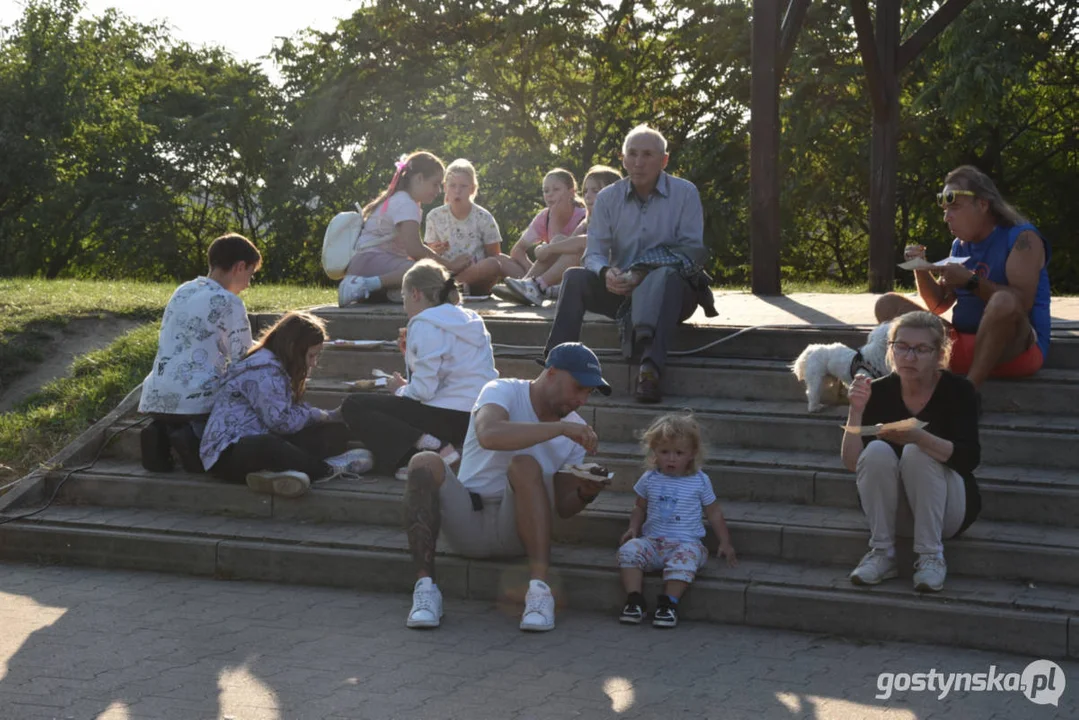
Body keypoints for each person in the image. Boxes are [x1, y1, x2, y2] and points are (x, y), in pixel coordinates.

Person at [403, 342, 611, 632]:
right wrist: (559, 429)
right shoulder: (502, 390)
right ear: (551, 373)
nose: (582, 400)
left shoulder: (574, 430)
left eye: (589, 392)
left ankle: (539, 593)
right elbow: (490, 434)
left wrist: (585, 493)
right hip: (468, 520)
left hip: (518, 531)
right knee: (424, 461)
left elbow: (563, 508)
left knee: (524, 465)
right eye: (578, 387)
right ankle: (425, 591)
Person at [543, 125, 715, 404]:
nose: (638, 162)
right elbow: (594, 251)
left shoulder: (685, 193)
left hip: (673, 295)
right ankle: (558, 365)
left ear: (664, 160)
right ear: (623, 159)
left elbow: (691, 252)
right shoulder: (609, 197)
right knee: (574, 277)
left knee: (669, 278)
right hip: (622, 291)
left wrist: (642, 272)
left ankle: (650, 370)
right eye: (632, 154)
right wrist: (605, 272)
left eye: (647, 154)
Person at [875, 165, 1052, 391]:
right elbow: (938, 305)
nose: (947, 217)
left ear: (982, 205)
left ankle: (969, 392)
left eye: (955, 208)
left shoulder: (1022, 238)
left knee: (1004, 300)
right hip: (960, 346)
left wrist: (970, 281)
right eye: (945, 210)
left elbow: (1021, 303)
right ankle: (910, 389)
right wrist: (920, 267)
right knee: (887, 304)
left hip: (1015, 352)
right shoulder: (959, 245)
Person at [842, 311, 981, 593]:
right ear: (890, 350)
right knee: (878, 450)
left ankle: (931, 557)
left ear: (939, 354)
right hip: (894, 512)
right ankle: (882, 553)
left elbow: (970, 459)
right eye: (902, 347)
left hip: (947, 510)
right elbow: (853, 463)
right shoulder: (877, 391)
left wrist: (921, 438)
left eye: (921, 349)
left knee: (918, 452)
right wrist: (855, 411)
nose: (910, 357)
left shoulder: (959, 391)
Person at [341, 260, 498, 479]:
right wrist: (411, 358)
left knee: (354, 405)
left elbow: (423, 393)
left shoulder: (424, 322)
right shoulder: (471, 319)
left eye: (404, 297)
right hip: (475, 415)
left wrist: (399, 389)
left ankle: (430, 449)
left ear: (415, 294)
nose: (404, 305)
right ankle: (424, 450)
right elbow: (448, 374)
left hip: (446, 418)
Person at [199, 311, 374, 498]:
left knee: (333, 432)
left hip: (264, 436)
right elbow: (280, 422)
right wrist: (317, 415)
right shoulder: (264, 371)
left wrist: (326, 418)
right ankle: (327, 469)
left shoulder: (279, 368)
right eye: (311, 356)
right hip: (230, 453)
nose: (313, 363)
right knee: (269, 445)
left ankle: (275, 475)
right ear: (293, 348)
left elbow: (289, 415)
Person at [138, 233, 261, 474]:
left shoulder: (183, 290)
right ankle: (194, 440)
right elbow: (243, 356)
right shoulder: (229, 302)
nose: (248, 284)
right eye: (251, 275)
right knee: (246, 386)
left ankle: (160, 432)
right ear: (240, 267)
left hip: (156, 392)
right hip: (196, 397)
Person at [616, 413, 736, 628]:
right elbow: (639, 507)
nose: (671, 458)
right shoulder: (649, 478)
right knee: (629, 550)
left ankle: (669, 604)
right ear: (654, 452)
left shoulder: (699, 480)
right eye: (664, 452)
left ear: (692, 454)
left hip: (686, 543)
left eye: (679, 453)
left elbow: (714, 512)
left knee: (686, 559)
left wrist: (725, 542)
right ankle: (634, 600)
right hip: (653, 543)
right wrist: (633, 528)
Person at [337, 151, 471, 306]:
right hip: (369, 263)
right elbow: (415, 250)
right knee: (426, 271)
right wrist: (449, 264)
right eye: (435, 184)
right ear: (419, 179)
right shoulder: (405, 203)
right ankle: (363, 285)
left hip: (369, 264)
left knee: (431, 278)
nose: (439, 191)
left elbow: (410, 247)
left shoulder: (403, 200)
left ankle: (388, 291)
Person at [504, 165, 622, 306]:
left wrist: (549, 249)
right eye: (585, 191)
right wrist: (551, 246)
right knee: (560, 240)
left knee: (577, 250)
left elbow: (586, 243)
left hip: (609, 278)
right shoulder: (588, 221)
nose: (587, 196)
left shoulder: (618, 220)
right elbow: (569, 242)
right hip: (588, 273)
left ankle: (540, 286)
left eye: (595, 191)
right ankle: (526, 283)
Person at [423, 159, 520, 295]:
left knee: (496, 262)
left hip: (478, 277)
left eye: (463, 186)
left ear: (472, 189)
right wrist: (436, 250)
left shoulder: (484, 217)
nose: (457, 191)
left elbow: (494, 255)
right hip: (445, 274)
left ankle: (529, 285)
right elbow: (428, 254)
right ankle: (451, 287)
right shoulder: (434, 216)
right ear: (445, 187)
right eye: (452, 186)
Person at [495, 169, 587, 301]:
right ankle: (528, 284)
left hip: (576, 271)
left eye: (556, 189)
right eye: (546, 191)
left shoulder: (583, 216)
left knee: (558, 241)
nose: (550, 194)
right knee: (500, 259)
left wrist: (555, 219)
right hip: (549, 277)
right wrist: (535, 272)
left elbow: (574, 248)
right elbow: (517, 250)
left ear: (571, 193)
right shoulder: (544, 217)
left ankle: (533, 285)